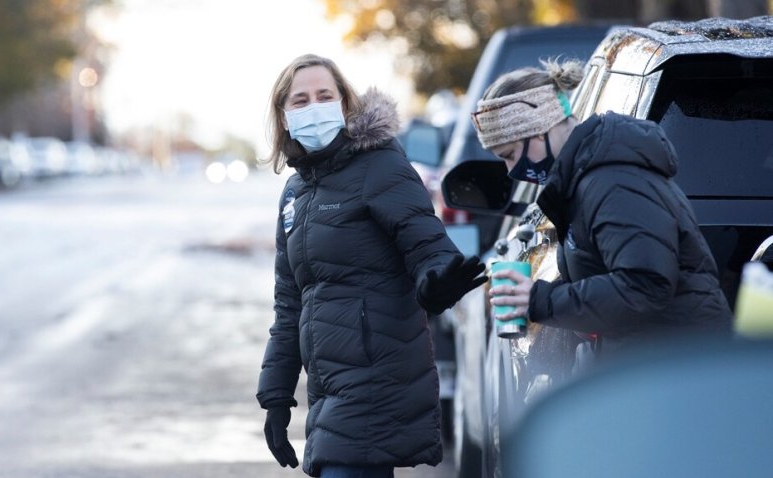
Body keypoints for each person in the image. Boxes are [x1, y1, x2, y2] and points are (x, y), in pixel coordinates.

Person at [256, 53, 488, 478]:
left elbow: (426, 243)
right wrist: (275, 397)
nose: (314, 108)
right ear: (284, 118)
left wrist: (438, 281)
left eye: (325, 96)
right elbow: (289, 305)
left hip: (377, 379)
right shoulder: (294, 194)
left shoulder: (381, 167)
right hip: (330, 389)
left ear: (345, 104)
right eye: (301, 101)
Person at [472, 58, 733, 358]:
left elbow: (644, 285)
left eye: (509, 154)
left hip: (680, 367)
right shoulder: (584, 181)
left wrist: (540, 300)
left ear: (539, 129)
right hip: (652, 363)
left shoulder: (614, 183)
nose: (510, 170)